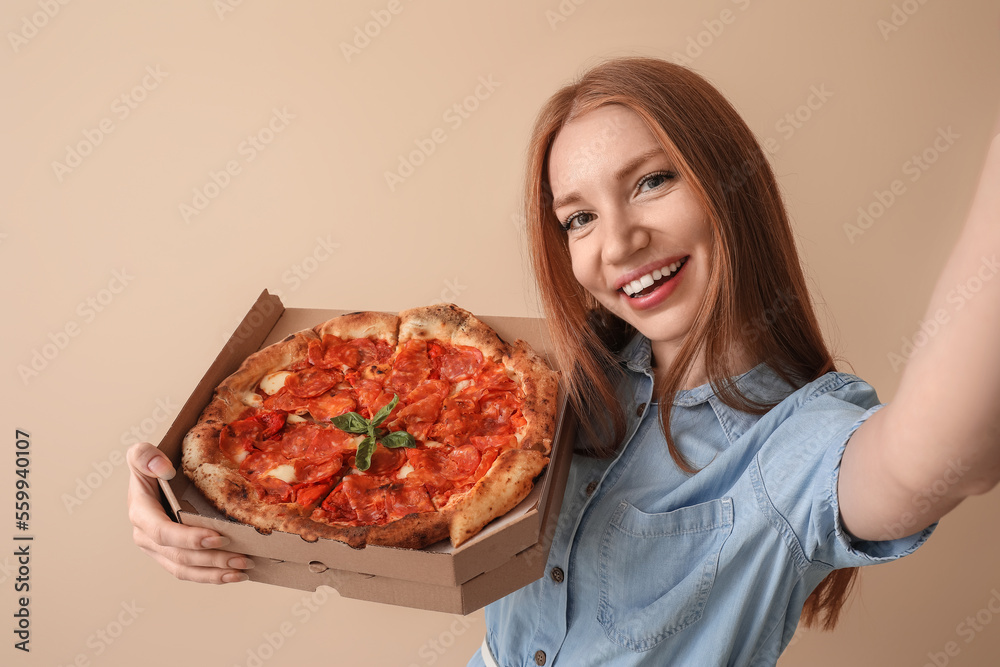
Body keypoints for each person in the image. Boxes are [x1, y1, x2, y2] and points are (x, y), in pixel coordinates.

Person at [127, 58, 1000, 666]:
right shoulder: (557, 380)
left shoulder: (796, 445)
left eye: (652, 180)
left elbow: (941, 453)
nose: (617, 243)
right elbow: (338, 511)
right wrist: (189, 511)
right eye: (576, 217)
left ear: (729, 181)